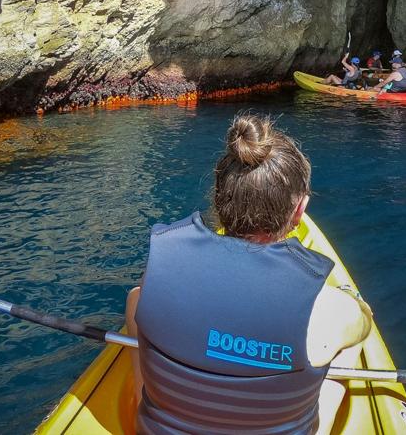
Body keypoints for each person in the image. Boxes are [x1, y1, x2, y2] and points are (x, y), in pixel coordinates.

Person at [124, 113, 373, 435]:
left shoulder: (162, 261)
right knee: (352, 339)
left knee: (137, 299)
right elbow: (363, 323)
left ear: (217, 199)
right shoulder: (328, 309)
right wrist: (358, 307)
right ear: (299, 209)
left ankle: (139, 394)